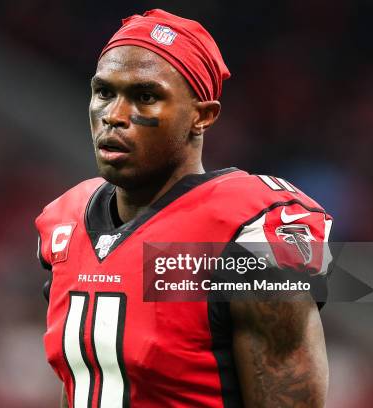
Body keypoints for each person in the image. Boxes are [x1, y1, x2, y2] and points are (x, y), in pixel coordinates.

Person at [35, 9, 331, 408]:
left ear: (202, 116)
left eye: (145, 96)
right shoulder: (65, 222)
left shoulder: (252, 231)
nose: (114, 116)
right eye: (104, 92)